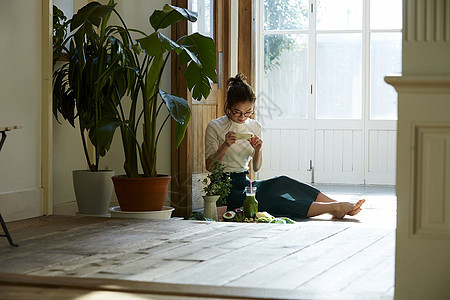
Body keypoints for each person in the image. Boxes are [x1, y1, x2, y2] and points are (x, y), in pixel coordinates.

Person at [204, 73, 365, 220]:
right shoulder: (215, 126)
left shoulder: (254, 126)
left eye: (248, 113)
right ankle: (334, 208)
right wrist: (225, 145)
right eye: (237, 112)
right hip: (224, 190)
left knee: (283, 182)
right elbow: (210, 166)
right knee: (274, 201)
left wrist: (258, 150)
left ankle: (338, 204)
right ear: (229, 106)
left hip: (246, 184)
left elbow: (256, 167)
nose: (242, 117)